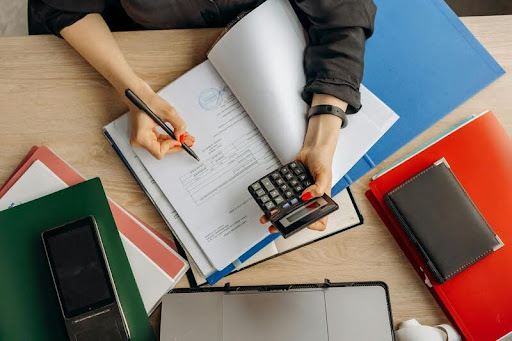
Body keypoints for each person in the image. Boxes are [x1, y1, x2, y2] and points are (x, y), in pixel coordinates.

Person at [29, 0, 376, 232]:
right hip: (145, 48)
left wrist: (323, 136)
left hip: (270, 44)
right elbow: (60, 6)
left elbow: (344, 13)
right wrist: (134, 91)